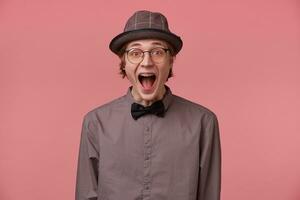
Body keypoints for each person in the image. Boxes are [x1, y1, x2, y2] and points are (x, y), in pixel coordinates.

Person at [75, 10, 221, 200]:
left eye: (157, 52)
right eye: (135, 53)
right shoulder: (95, 122)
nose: (146, 62)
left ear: (171, 60)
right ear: (124, 61)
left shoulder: (204, 123)